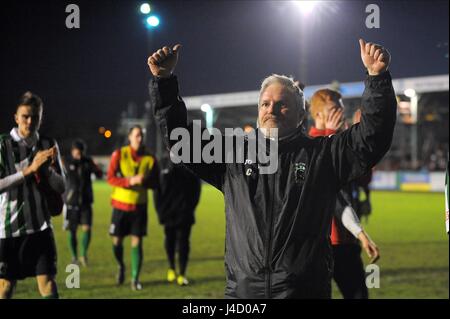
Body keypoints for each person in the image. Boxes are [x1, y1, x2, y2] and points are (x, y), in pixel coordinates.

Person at [148, 39, 396, 298]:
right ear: (258, 111)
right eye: (265, 103)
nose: (271, 109)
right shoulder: (233, 154)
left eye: (282, 103)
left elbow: (371, 139)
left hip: (303, 293)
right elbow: (181, 141)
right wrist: (164, 82)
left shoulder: (322, 156)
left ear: (301, 116)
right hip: (244, 294)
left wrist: (377, 77)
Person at [309, 89, 380, 299]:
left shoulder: (343, 143)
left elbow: (363, 179)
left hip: (347, 241)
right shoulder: (309, 145)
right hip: (319, 245)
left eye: (341, 109)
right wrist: (331, 135)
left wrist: (363, 145)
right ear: (318, 116)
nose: (340, 114)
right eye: (334, 110)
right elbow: (323, 179)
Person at [0, 91, 65, 299]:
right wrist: (29, 170)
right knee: (5, 286)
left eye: (35, 116)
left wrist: (46, 171)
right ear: (16, 117)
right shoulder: (3, 145)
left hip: (40, 227)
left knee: (48, 284)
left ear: (41, 117)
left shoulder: (48, 144)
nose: (30, 121)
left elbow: (62, 185)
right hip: (7, 231)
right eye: (25, 116)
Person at [107, 125, 159, 290]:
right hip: (120, 206)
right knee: (117, 243)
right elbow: (110, 178)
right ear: (129, 137)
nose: (140, 138)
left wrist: (145, 181)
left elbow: (156, 183)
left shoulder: (151, 158)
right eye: (136, 135)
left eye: (141, 135)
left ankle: (135, 279)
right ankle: (121, 265)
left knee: (137, 242)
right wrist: (130, 181)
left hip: (139, 207)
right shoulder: (119, 154)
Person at [153, 151, 201, 286]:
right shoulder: (162, 163)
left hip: (184, 212)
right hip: (167, 212)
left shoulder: (190, 162)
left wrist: (190, 207)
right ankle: (171, 268)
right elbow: (157, 190)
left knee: (184, 243)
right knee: (169, 240)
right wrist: (160, 210)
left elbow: (196, 189)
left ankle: (182, 273)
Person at [63, 139, 103, 266]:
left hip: (86, 201)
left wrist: (96, 168)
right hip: (71, 202)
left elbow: (99, 174)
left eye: (81, 151)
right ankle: (74, 256)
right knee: (72, 230)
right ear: (72, 151)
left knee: (87, 228)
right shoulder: (66, 162)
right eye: (76, 151)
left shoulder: (88, 162)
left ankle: (83, 255)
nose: (78, 153)